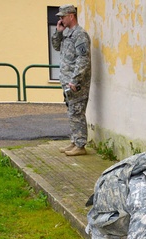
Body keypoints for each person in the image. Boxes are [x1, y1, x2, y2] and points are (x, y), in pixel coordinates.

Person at [52, 4, 91, 156]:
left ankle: (80, 145)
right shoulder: (68, 34)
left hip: (77, 83)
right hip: (67, 81)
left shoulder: (80, 35)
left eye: (62, 16)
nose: (61, 19)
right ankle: (75, 141)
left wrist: (75, 80)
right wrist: (58, 32)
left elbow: (83, 60)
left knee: (77, 112)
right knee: (71, 112)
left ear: (71, 16)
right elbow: (56, 46)